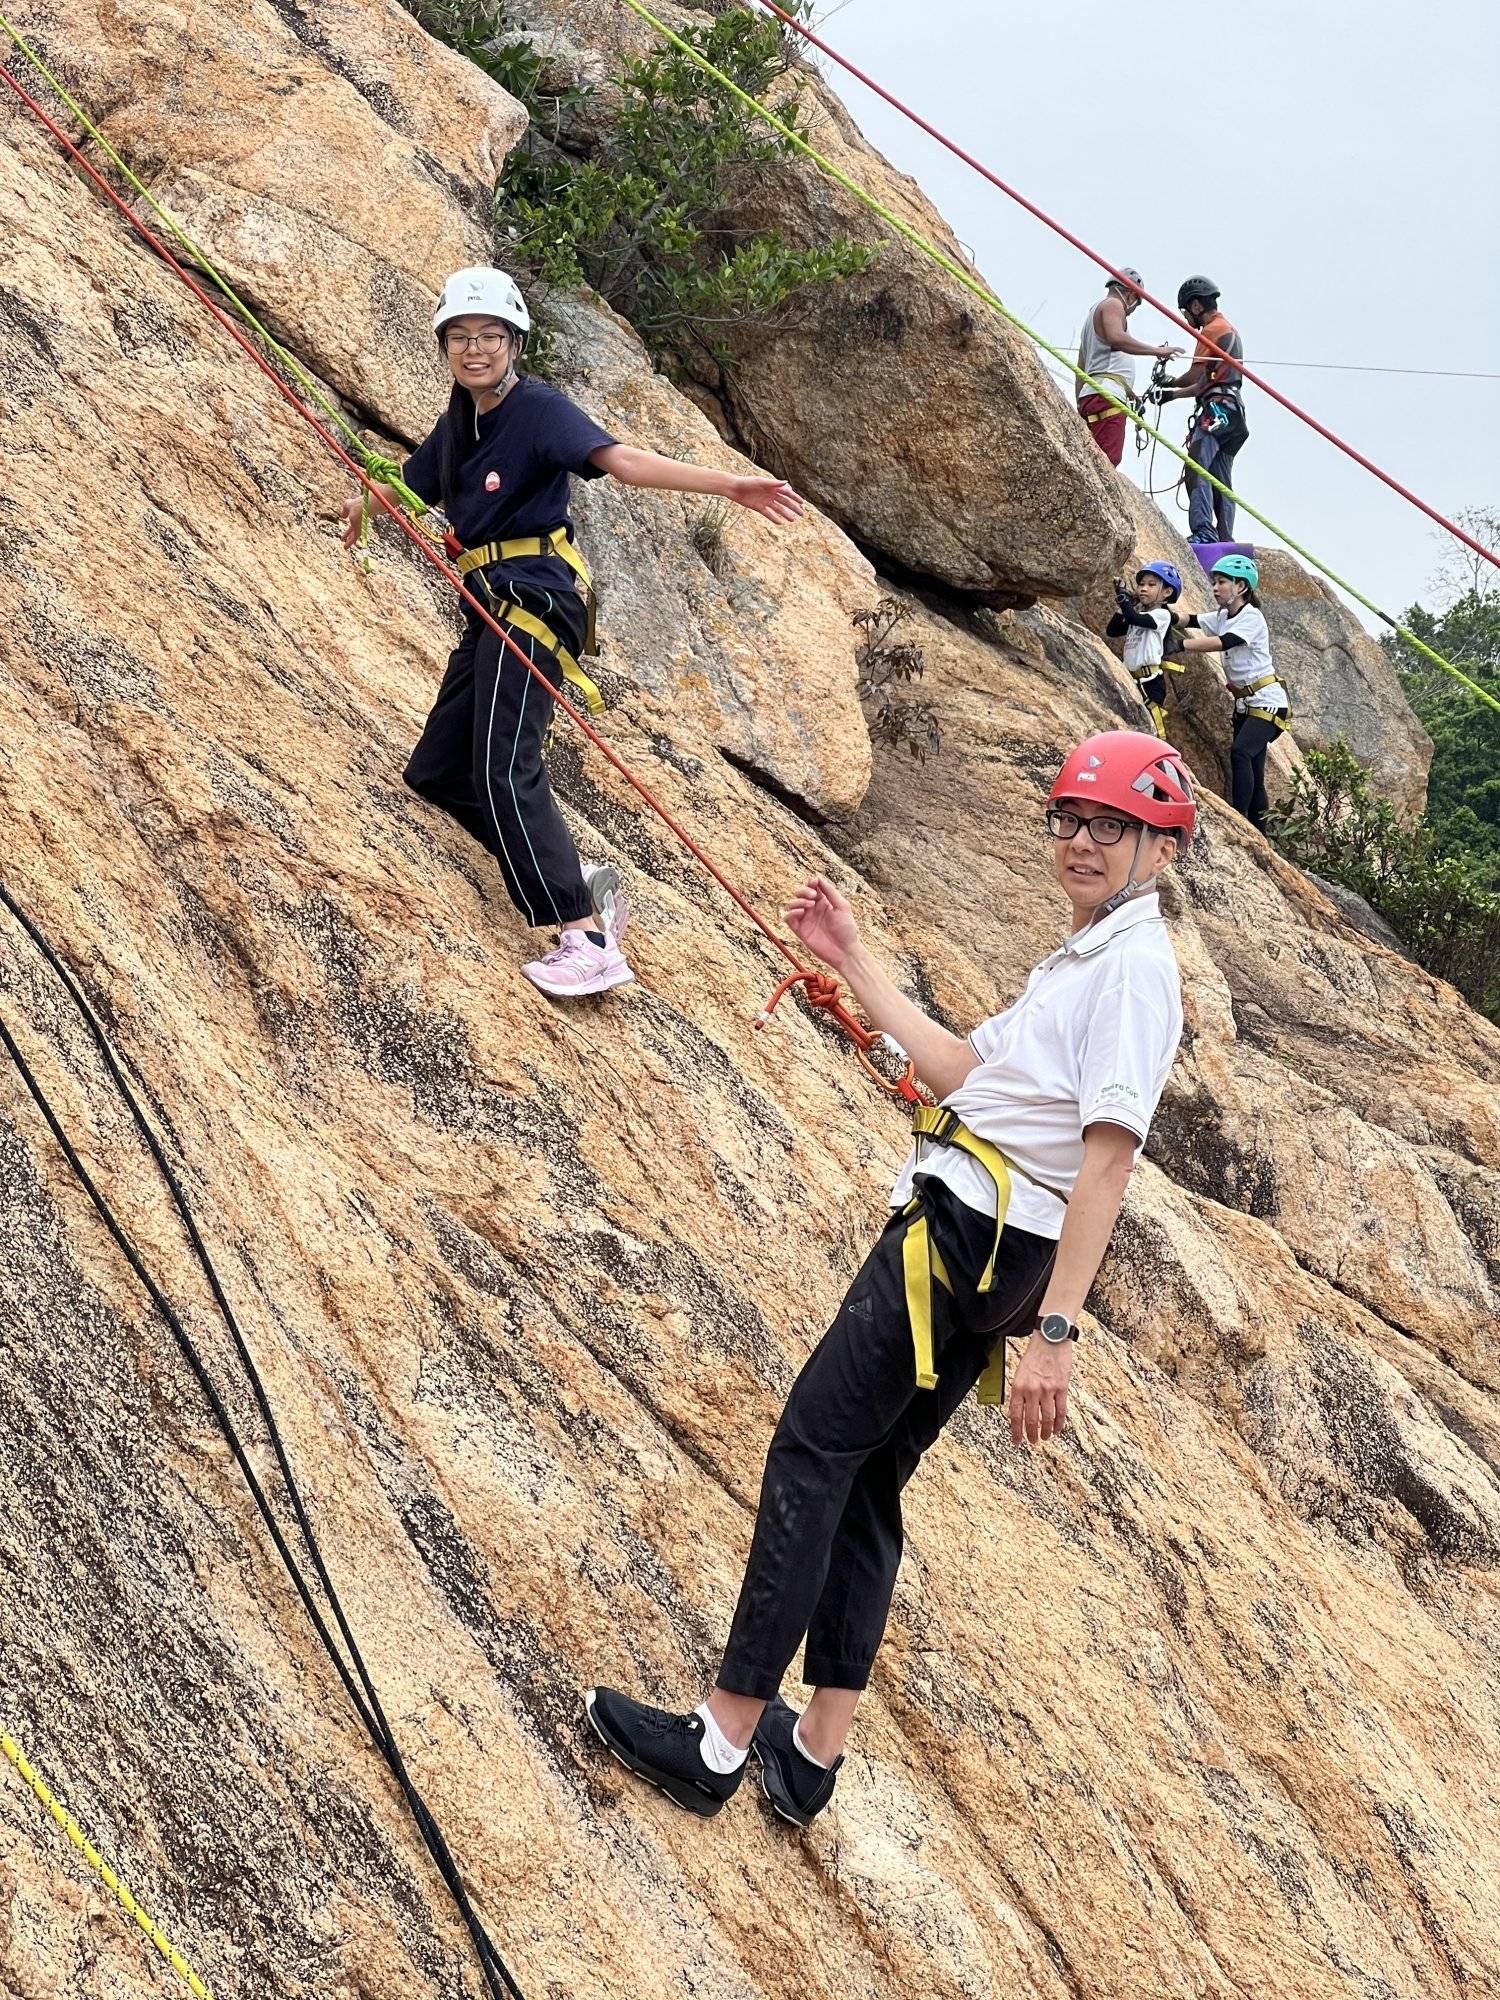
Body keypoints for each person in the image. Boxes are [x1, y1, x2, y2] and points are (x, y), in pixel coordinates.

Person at [585, 731, 1194, 1826]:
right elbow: (962, 1070)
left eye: (1113, 826)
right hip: (997, 1242)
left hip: (970, 1234)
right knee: (866, 1476)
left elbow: (1111, 1157)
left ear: (1163, 847)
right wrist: (853, 958)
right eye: (1071, 819)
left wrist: (1058, 1334)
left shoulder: (1137, 971)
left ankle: (720, 1738)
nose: (1084, 843)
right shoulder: (1086, 956)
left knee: (814, 1446)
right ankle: (812, 1751)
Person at [342, 267, 804, 998]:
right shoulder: (460, 425)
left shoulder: (539, 410)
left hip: (535, 601)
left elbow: (623, 462)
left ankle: (584, 935)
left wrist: (727, 484)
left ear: (514, 341)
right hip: (489, 605)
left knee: (503, 765)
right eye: (459, 337)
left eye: (489, 336)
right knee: (438, 772)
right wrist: (364, 504)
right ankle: (573, 877)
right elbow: (413, 479)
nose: (474, 350)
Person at [1174, 553, 1288, 830]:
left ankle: (1238, 821)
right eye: (1215, 582)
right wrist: (1157, 614)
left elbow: (1226, 642)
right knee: (1255, 770)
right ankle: (1260, 833)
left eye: (1221, 582)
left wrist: (1181, 647)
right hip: (1246, 706)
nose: (1215, 587)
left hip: (1268, 703)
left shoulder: (1252, 617)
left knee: (1240, 753)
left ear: (1241, 587)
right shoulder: (1224, 615)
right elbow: (1190, 619)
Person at [1161, 276, 1248, 544]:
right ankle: (1225, 538)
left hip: (1216, 411)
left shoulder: (1210, 330)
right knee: (1221, 479)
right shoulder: (1229, 329)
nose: (1187, 318)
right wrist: (1171, 395)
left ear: (1196, 306)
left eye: (1186, 311)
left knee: (1197, 468)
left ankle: (1204, 532)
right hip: (1233, 410)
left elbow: (1194, 376)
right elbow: (1204, 384)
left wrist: (1172, 383)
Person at [1075, 268, 1182, 468]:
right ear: (1131, 295)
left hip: (1094, 394)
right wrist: (1156, 351)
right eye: (1137, 304)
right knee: (1107, 460)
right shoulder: (1113, 304)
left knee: (1095, 460)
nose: (1132, 310)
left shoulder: (1092, 315)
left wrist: (1080, 403)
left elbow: (1081, 366)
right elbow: (1117, 338)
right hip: (1106, 395)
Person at [1106, 560, 1185, 738]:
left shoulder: (1162, 615)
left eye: (1151, 585)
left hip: (1151, 683)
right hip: (1132, 680)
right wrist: (1123, 608)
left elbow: (1135, 619)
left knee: (1145, 732)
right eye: (1141, 584)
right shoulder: (1139, 615)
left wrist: (1124, 601)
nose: (1143, 588)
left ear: (1167, 592)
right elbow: (1112, 631)